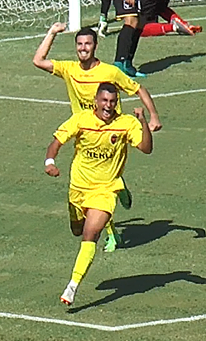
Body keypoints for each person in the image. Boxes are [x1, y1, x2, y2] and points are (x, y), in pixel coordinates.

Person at [33, 23, 162, 252]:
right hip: (85, 130)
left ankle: (111, 229)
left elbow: (138, 88)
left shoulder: (109, 72)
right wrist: (52, 33)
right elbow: (38, 60)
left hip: (114, 132)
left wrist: (153, 116)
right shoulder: (69, 69)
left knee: (102, 183)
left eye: (88, 44)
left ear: (95, 46)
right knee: (89, 190)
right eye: (80, 44)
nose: (83, 48)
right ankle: (117, 193)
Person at [44, 82, 153, 306]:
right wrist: (50, 162)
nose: (108, 106)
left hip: (105, 190)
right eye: (104, 100)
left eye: (112, 101)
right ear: (96, 100)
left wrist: (143, 121)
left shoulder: (126, 123)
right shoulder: (81, 120)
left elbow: (146, 148)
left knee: (90, 234)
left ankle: (72, 287)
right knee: (77, 229)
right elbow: (56, 142)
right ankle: (117, 190)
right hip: (78, 188)